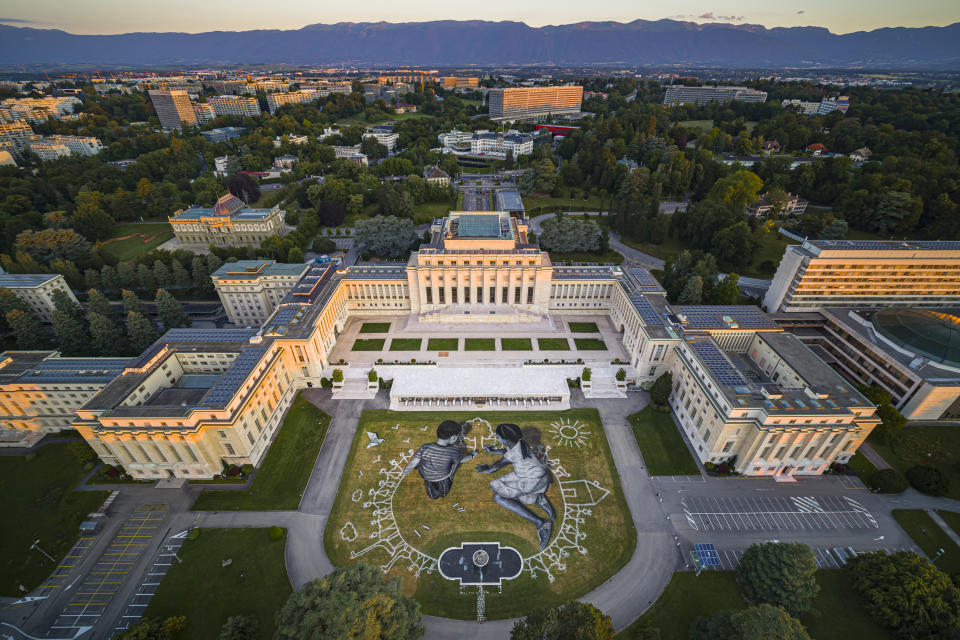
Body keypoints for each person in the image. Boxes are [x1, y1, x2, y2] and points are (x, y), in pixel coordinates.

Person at [475, 423, 555, 550]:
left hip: (531, 480)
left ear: (506, 439)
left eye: (499, 437)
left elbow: (497, 466)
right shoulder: (521, 443)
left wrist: (486, 469)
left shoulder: (515, 452)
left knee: (499, 497)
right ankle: (538, 498)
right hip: (537, 476)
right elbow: (508, 452)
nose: (498, 439)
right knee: (499, 487)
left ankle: (541, 523)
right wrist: (494, 451)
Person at [402, 420, 478, 499]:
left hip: (426, 475)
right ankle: (443, 493)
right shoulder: (453, 451)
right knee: (446, 484)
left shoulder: (425, 447)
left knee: (430, 484)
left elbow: (415, 461)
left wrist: (407, 468)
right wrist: (472, 455)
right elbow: (461, 460)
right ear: (453, 437)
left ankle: (432, 493)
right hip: (443, 476)